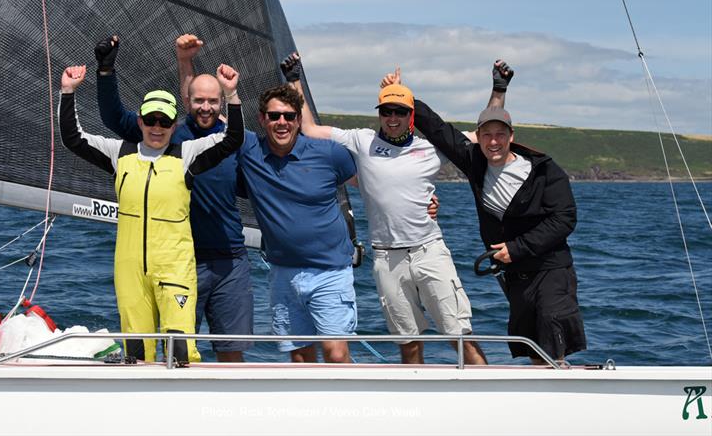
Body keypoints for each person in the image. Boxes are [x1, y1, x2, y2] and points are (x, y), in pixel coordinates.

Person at [280, 54, 487, 365]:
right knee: (408, 342)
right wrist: (294, 78)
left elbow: (488, 138)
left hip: (429, 251)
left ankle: (486, 396)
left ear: (411, 115)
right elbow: (309, 129)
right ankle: (415, 403)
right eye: (387, 111)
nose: (393, 117)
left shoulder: (431, 149)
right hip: (387, 258)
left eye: (400, 111)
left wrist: (499, 91)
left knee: (459, 334)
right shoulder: (362, 141)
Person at [385, 61, 586, 364]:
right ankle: (543, 395)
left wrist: (517, 248)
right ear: (479, 137)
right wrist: (404, 97)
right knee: (534, 348)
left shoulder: (544, 170)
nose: (493, 142)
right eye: (487, 135)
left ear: (511, 135)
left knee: (551, 332)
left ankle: (560, 391)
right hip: (516, 276)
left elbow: (565, 218)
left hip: (551, 268)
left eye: (500, 135)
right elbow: (440, 131)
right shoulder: (475, 162)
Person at [58, 53, 244, 364]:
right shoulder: (120, 153)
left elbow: (232, 138)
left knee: (180, 351)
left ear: (174, 124)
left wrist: (232, 94)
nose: (157, 127)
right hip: (130, 271)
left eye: (165, 121)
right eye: (151, 120)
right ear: (141, 121)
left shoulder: (187, 154)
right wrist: (68, 91)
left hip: (175, 269)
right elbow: (73, 139)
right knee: (135, 353)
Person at [233, 80, 357, 363]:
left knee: (336, 355)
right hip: (283, 273)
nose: (282, 122)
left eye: (289, 116)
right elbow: (205, 112)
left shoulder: (329, 153)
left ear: (299, 120)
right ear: (262, 119)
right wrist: (187, 63)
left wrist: (422, 201)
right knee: (300, 357)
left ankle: (352, 407)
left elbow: (370, 182)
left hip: (331, 271)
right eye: (274, 116)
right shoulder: (250, 152)